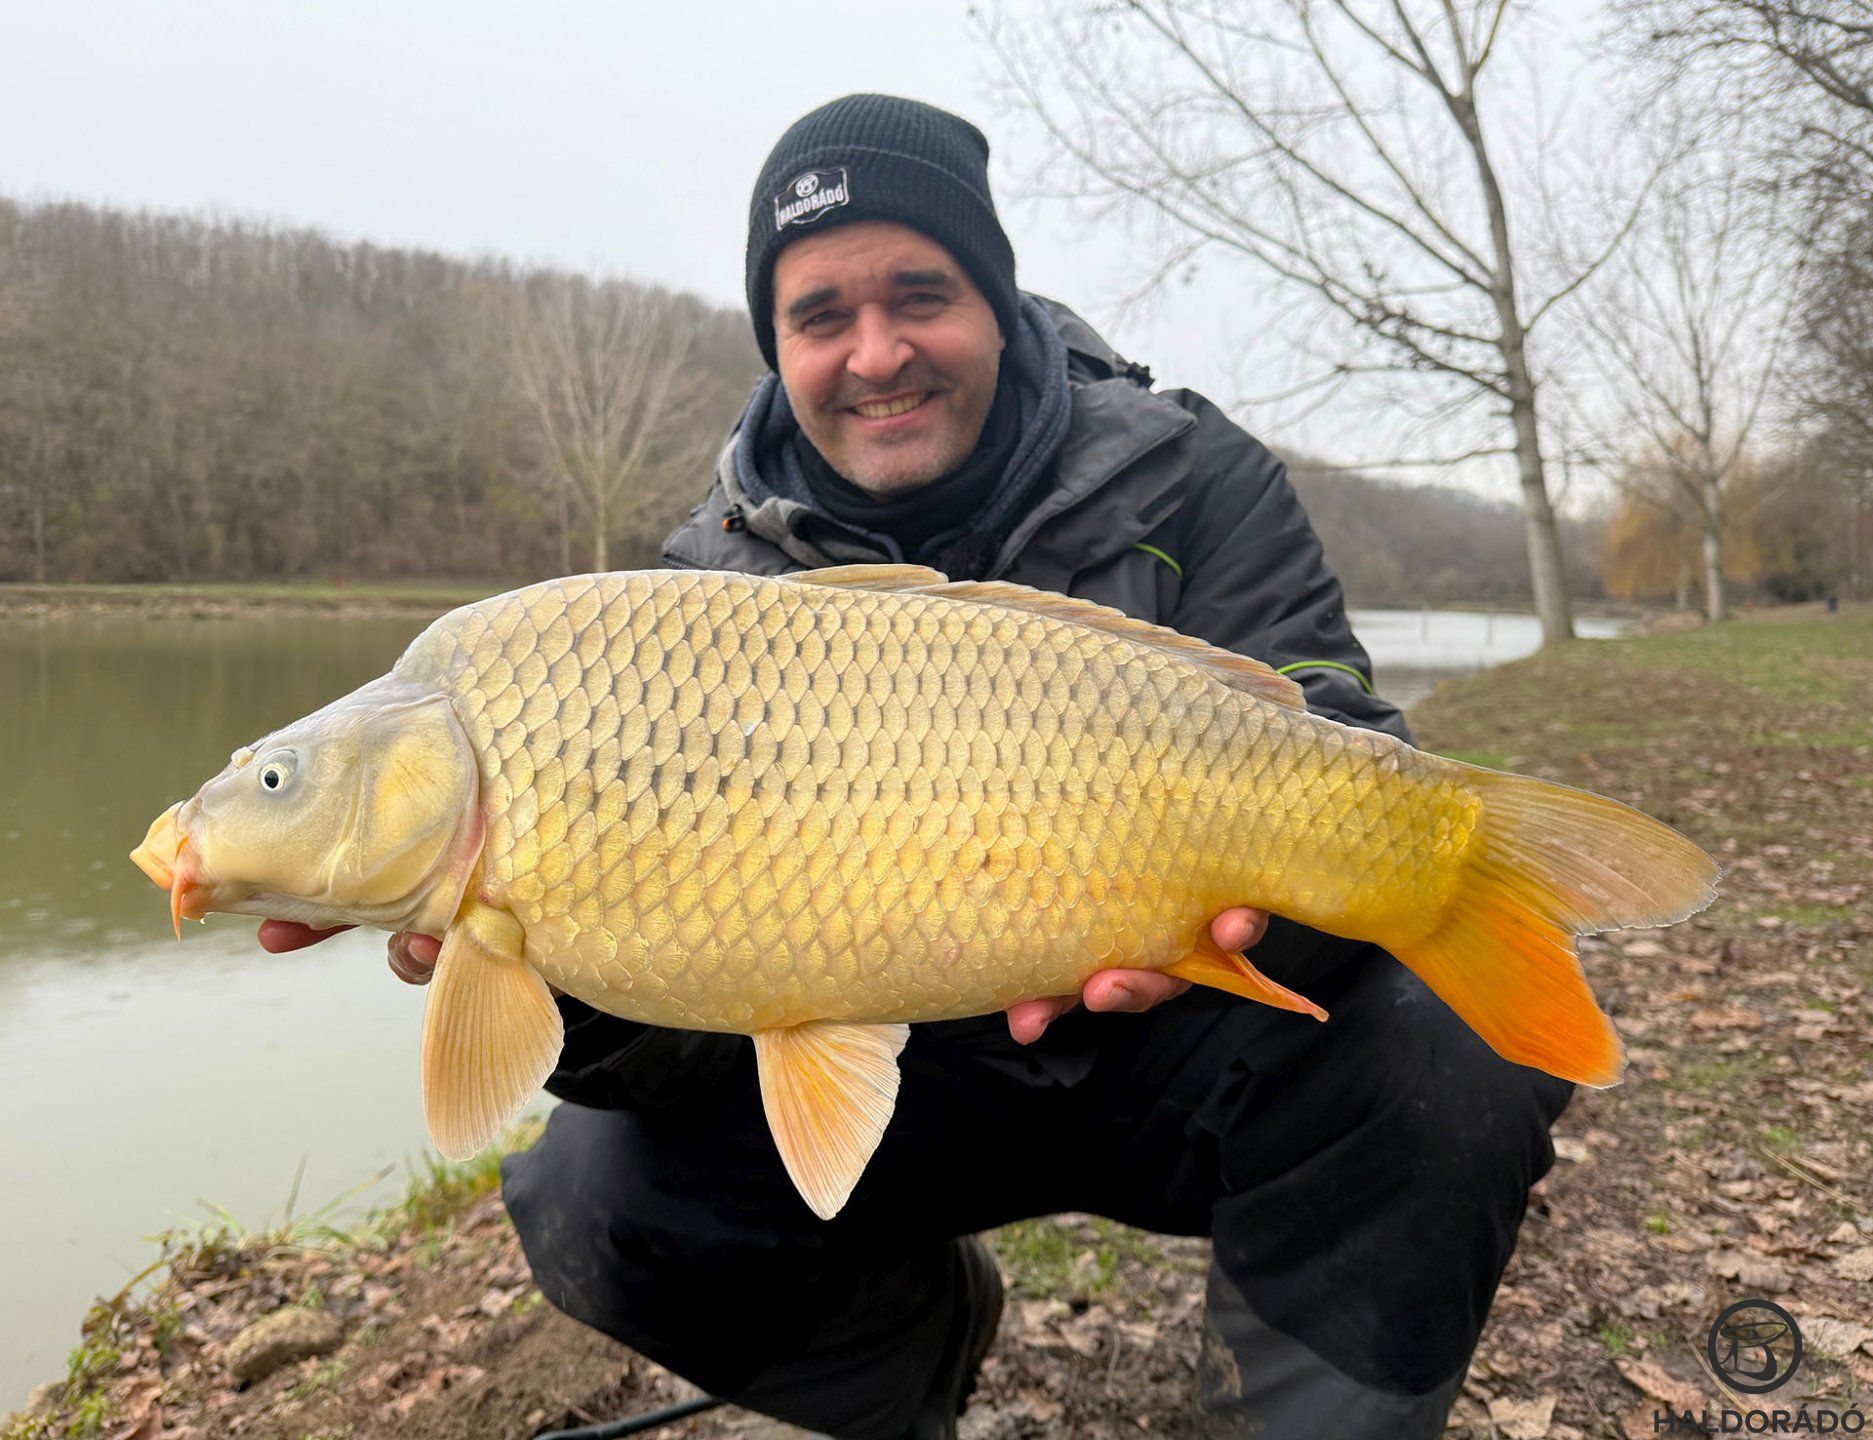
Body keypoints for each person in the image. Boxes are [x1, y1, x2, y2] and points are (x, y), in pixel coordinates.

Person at [263, 94, 1571, 1439]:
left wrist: (1248, 918)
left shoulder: (1195, 476)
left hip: (1171, 1047)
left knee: (1449, 1039)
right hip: (911, 1095)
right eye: (820, 315)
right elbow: (652, 1060)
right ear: (776, 348)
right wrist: (552, 961)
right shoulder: (689, 596)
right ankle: (905, 1364)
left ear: (996, 301)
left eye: (919, 295)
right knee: (597, 1189)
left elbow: (1327, 719)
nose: (875, 352)